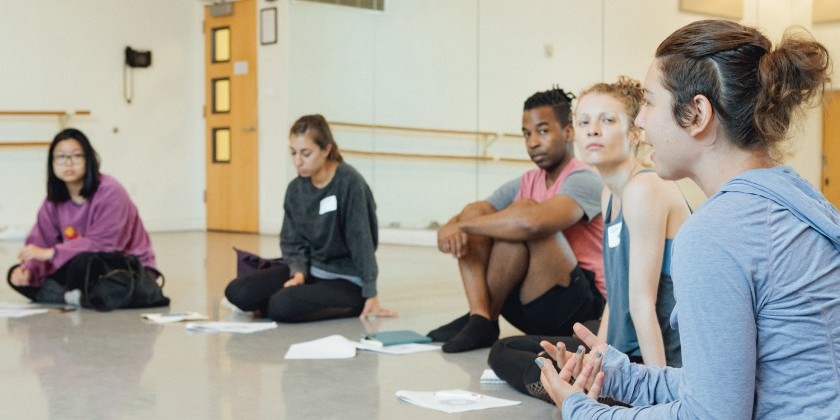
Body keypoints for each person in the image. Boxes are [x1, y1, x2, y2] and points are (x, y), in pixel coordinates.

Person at [536, 20, 840, 418]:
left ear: (696, 113)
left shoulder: (715, 233)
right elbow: (725, 386)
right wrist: (619, 376)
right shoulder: (798, 197)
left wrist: (582, 411)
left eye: (649, 102)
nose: (640, 121)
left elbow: (709, 416)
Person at [488, 76, 689, 402]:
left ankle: (580, 390)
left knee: (532, 360)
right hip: (625, 353)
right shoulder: (610, 195)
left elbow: (642, 303)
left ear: (634, 133)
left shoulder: (645, 188)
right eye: (584, 122)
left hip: (659, 360)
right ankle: (575, 387)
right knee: (506, 350)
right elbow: (615, 297)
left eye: (607, 120)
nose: (592, 130)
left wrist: (658, 396)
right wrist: (598, 357)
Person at [428, 87, 605, 353]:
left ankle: (482, 318)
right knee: (480, 212)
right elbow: (475, 213)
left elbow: (532, 223)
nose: (532, 142)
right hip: (532, 305)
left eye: (542, 131)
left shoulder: (584, 178)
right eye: (526, 134)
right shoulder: (528, 180)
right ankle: (480, 316)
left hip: (580, 310)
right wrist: (452, 226)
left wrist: (460, 227)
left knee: (522, 215)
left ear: (568, 132)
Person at [224, 114, 396, 322]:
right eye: (293, 153)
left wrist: (370, 292)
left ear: (326, 150)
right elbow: (291, 241)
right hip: (311, 272)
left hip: (347, 281)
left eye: (306, 153)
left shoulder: (350, 183)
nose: (298, 161)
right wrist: (298, 273)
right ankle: (297, 298)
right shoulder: (296, 189)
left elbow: (362, 241)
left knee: (281, 305)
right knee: (238, 292)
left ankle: (344, 303)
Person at [6, 128, 158, 304]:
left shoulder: (111, 191)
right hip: (78, 266)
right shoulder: (53, 201)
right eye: (61, 157)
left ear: (89, 159)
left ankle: (69, 296)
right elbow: (40, 242)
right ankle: (78, 297)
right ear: (52, 163)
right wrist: (28, 270)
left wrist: (51, 253)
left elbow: (105, 246)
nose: (68, 163)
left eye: (76, 156)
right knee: (15, 275)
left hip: (122, 267)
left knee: (84, 262)